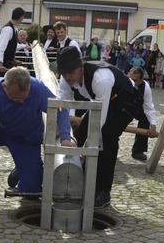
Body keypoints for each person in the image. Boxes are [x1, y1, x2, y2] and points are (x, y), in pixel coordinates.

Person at [57, 46, 144, 209]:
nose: (68, 76)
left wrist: (87, 149)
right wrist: (63, 132)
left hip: (127, 99)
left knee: (107, 138)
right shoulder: (66, 78)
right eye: (64, 72)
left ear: (80, 68)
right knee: (79, 133)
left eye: (71, 72)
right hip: (105, 100)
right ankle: (74, 177)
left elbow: (100, 122)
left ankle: (103, 191)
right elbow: (64, 105)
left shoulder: (100, 78)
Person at [128, 67, 157, 161]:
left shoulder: (145, 87)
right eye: (130, 78)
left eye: (134, 80)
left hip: (136, 107)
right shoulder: (123, 82)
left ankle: (138, 150)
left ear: (141, 80)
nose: (131, 82)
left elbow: (149, 107)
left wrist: (153, 125)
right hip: (120, 107)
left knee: (145, 119)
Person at [0, 7, 24, 73]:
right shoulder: (8, 29)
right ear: (21, 17)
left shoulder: (14, 29)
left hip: (7, 63)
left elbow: (10, 47)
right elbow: (0, 47)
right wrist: (0, 65)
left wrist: (13, 60)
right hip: (2, 66)